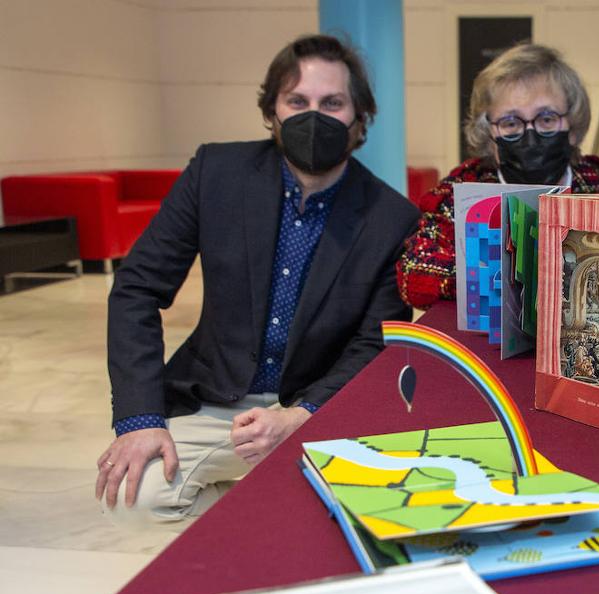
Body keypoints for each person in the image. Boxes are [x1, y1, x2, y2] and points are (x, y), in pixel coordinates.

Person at [96, 34, 420, 528]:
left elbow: (374, 342)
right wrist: (140, 420)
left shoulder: (391, 217)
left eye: (332, 103)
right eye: (297, 101)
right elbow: (137, 287)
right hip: (215, 399)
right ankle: (267, 520)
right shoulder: (216, 173)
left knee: (366, 513)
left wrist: (301, 415)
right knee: (138, 494)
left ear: (360, 120)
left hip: (317, 407)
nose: (314, 117)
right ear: (272, 112)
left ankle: (270, 518)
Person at [396, 43, 599, 308]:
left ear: (573, 125)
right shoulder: (463, 188)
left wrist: (481, 271)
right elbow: (413, 273)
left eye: (546, 119)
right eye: (510, 123)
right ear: (489, 135)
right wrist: (523, 275)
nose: (530, 136)